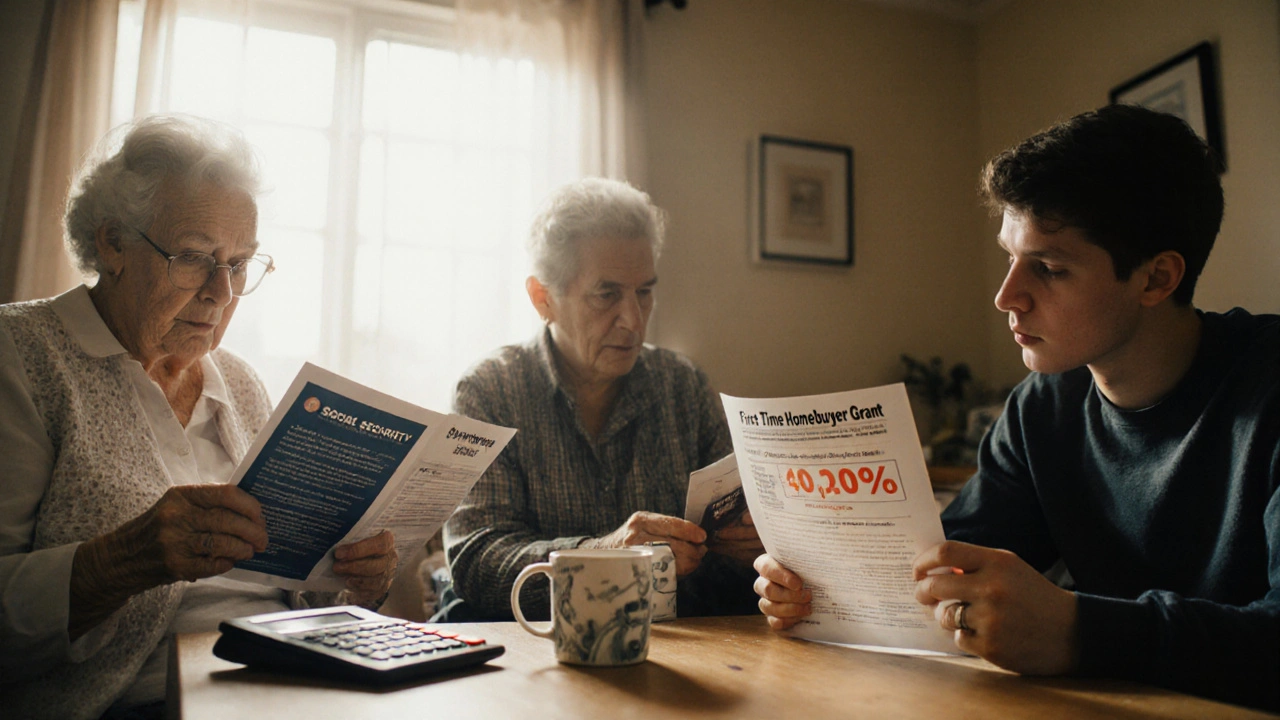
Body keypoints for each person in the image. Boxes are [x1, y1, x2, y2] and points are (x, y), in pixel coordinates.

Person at [752, 104, 1280, 712]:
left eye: (1049, 269)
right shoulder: (1041, 408)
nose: (1007, 296)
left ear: (1156, 279)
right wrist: (821, 586)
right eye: (1010, 256)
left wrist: (1077, 630)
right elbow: (950, 567)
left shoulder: (1267, 390)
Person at [0, 115, 399, 720]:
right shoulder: (23, 354)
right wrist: (127, 559)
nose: (222, 291)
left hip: (293, 684)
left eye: (241, 263)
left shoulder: (237, 380)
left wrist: (358, 580)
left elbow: (288, 584)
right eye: (193, 257)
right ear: (112, 245)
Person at [443, 178, 761, 620]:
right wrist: (605, 555)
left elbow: (738, 558)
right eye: (606, 294)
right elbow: (477, 561)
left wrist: (755, 550)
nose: (632, 320)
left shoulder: (682, 386)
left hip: (680, 651)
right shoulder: (491, 391)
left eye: (644, 292)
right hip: (534, 658)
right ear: (543, 299)